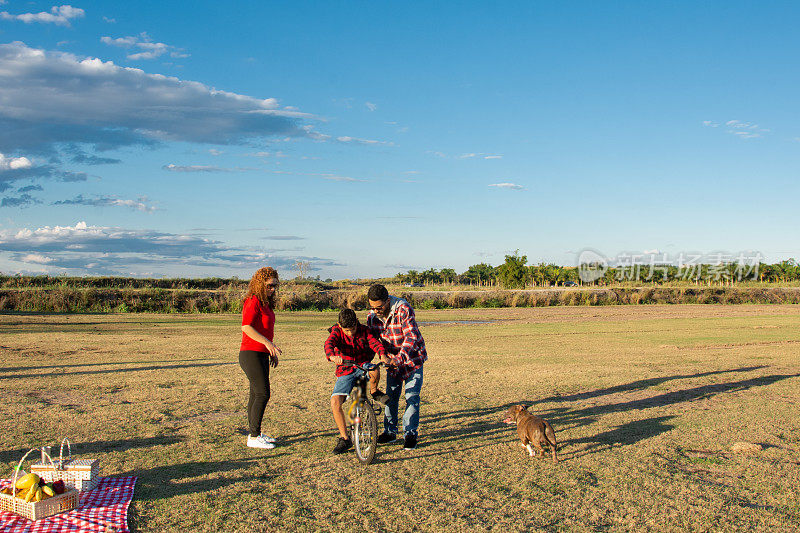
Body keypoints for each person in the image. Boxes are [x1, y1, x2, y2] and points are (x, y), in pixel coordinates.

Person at [366, 284, 427, 450]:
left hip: (412, 359)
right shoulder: (371, 317)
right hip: (392, 362)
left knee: (412, 397)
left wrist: (399, 359)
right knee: (391, 397)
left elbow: (411, 337)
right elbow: (372, 341)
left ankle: (410, 434)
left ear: (387, 301)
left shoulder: (403, 309)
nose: (376, 310)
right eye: (372, 307)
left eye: (379, 307)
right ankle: (390, 432)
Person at [324, 308, 391, 454]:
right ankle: (345, 438)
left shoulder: (364, 330)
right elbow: (328, 344)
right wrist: (332, 356)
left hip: (363, 364)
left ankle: (374, 391)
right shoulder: (336, 331)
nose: (350, 333)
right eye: (346, 330)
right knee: (335, 402)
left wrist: (382, 355)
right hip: (345, 368)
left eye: (353, 328)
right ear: (339, 325)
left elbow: (375, 343)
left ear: (357, 323)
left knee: (374, 369)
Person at [239, 267, 282, 449]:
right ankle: (254, 437)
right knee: (263, 393)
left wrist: (270, 350)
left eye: (275, 286)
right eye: (269, 285)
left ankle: (254, 433)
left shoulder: (265, 304)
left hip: (262, 353)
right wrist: (268, 344)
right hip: (250, 353)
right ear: (260, 284)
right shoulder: (253, 301)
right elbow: (246, 327)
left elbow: (265, 330)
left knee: (255, 395)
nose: (272, 289)